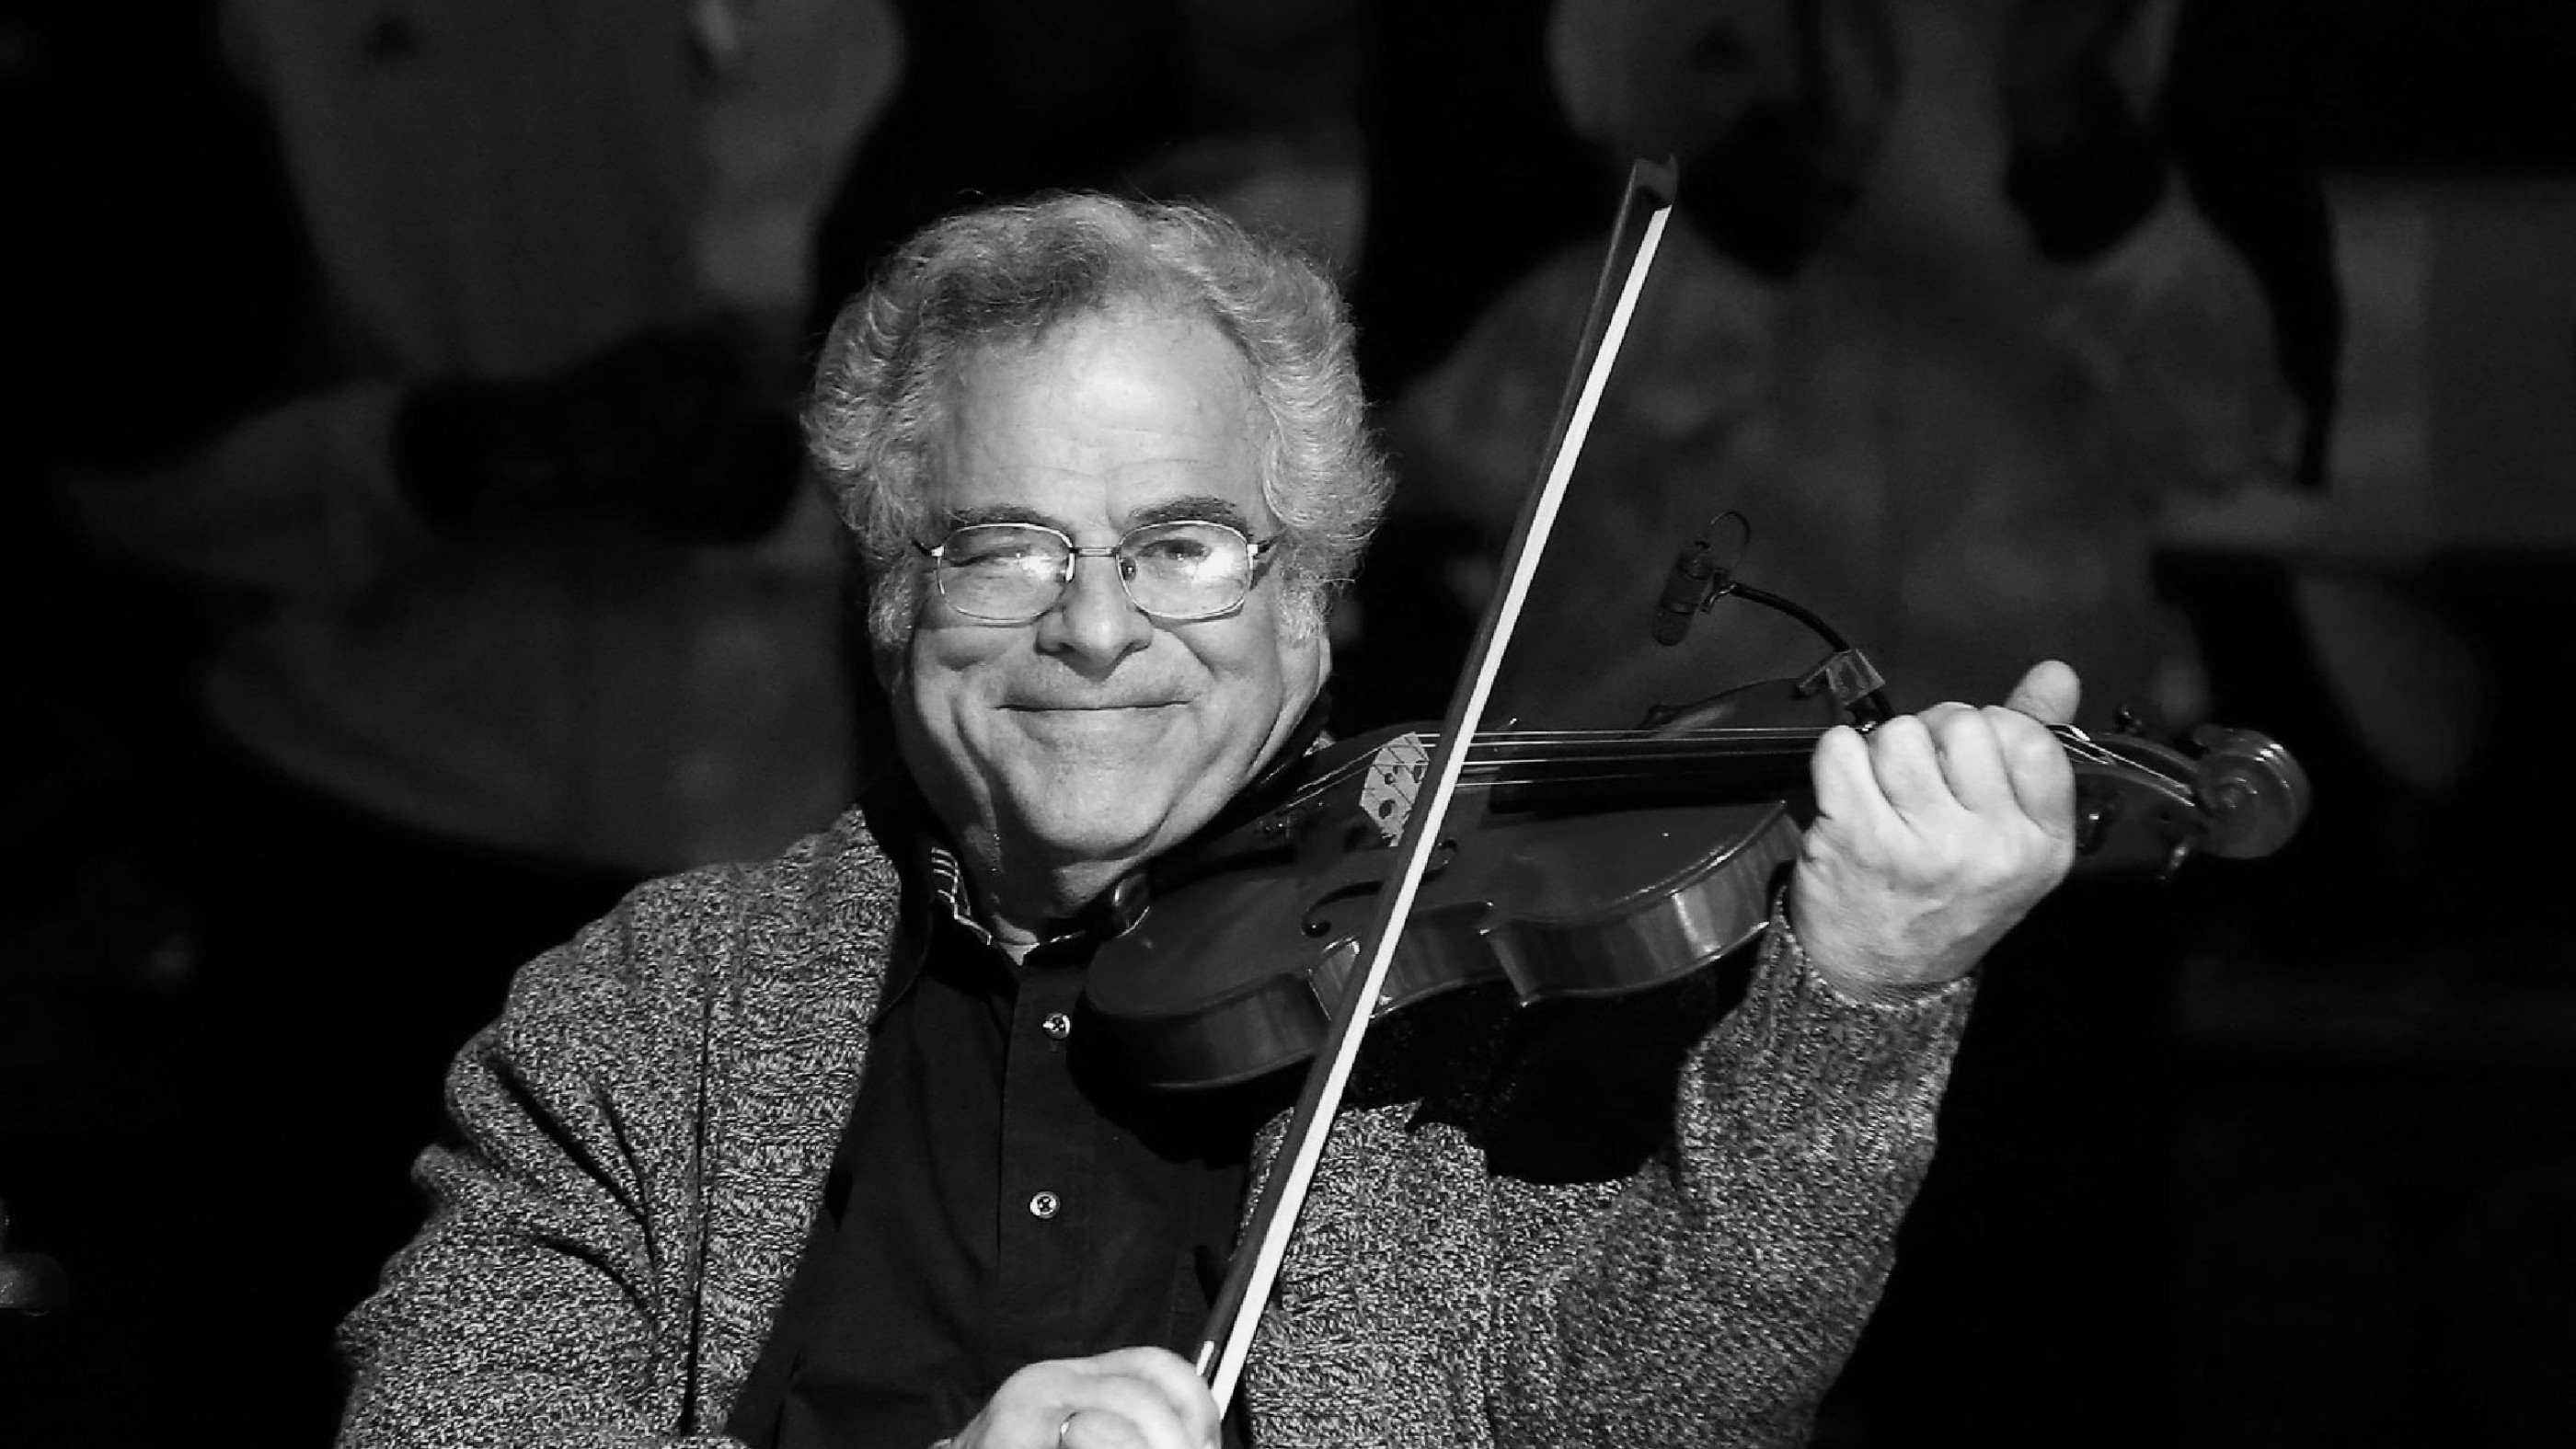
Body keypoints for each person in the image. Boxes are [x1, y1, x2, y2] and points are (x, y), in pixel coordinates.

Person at [333, 192, 2083, 1449]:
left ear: (1306, 599)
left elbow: (1668, 1408)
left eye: (1182, 546)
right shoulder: (652, 1012)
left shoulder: (1474, 998)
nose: (1096, 630)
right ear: (891, 598)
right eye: (1005, 546)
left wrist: (1861, 997)